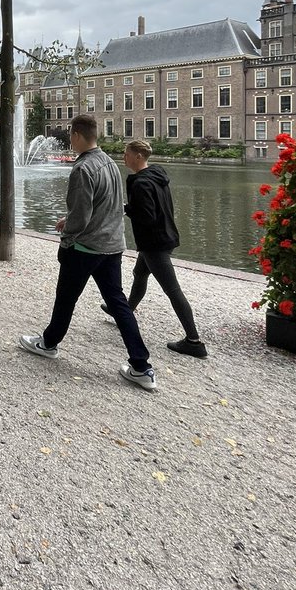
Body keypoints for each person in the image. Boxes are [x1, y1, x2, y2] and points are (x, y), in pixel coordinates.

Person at [18, 114, 155, 390]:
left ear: (77, 135)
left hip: (85, 247)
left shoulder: (82, 168)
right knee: (119, 304)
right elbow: (108, 206)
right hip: (112, 246)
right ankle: (142, 367)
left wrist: (67, 235)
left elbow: (81, 217)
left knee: (66, 298)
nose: (70, 140)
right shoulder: (110, 163)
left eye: (71, 135)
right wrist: (70, 219)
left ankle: (48, 344)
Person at [103, 139, 207, 359]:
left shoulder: (141, 183)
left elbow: (146, 217)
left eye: (127, 154)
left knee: (173, 290)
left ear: (138, 156)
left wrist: (125, 209)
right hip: (165, 235)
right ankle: (124, 312)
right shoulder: (156, 174)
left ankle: (194, 341)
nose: (124, 157)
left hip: (154, 243)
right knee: (140, 273)